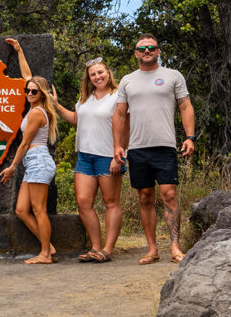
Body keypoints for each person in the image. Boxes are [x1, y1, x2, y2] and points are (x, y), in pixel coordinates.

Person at [112, 34, 195, 264]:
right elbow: (119, 114)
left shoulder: (172, 76)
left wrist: (190, 137)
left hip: (165, 146)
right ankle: (152, 249)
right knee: (145, 197)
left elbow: (185, 106)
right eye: (142, 48)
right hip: (137, 148)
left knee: (169, 194)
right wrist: (118, 145)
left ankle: (175, 247)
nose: (146, 51)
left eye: (151, 47)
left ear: (158, 51)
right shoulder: (128, 81)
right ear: (136, 53)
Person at [51, 57, 127, 263]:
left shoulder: (118, 96)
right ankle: (95, 247)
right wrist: (56, 106)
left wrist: (119, 155)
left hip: (108, 155)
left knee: (111, 202)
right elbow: (77, 119)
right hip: (85, 155)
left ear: (108, 73)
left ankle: (108, 250)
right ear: (89, 78)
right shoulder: (86, 97)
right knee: (83, 202)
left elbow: (125, 127)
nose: (97, 76)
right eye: (93, 74)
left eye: (100, 72)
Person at [0, 38, 58, 264]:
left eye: (34, 91)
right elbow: (27, 76)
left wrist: (12, 167)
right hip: (33, 164)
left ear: (41, 93)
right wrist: (19, 50)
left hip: (38, 161)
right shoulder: (35, 106)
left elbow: (24, 144)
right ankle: (48, 246)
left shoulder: (36, 113)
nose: (29, 92)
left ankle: (45, 254)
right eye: (28, 90)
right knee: (22, 210)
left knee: (39, 210)